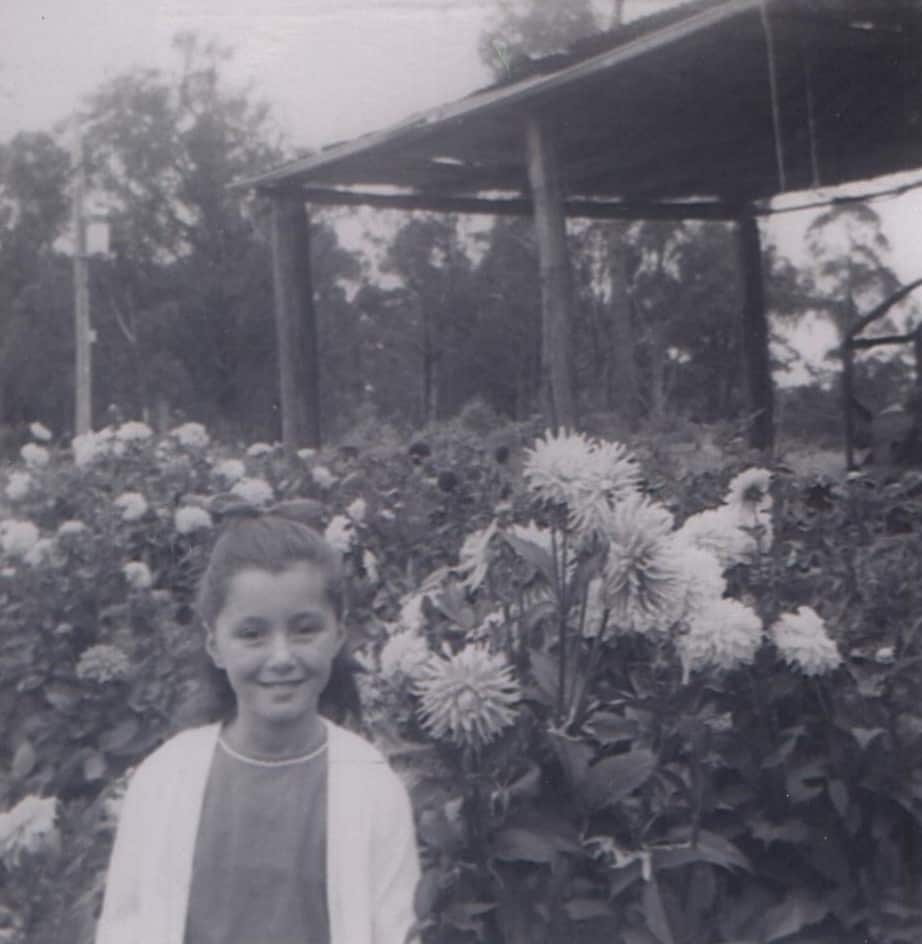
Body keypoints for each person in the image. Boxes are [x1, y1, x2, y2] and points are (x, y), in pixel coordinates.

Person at [95, 508, 421, 944]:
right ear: (215, 644)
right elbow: (125, 930)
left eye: (305, 630)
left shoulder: (372, 785)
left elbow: (397, 932)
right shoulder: (163, 780)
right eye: (252, 634)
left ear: (339, 634)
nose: (281, 656)